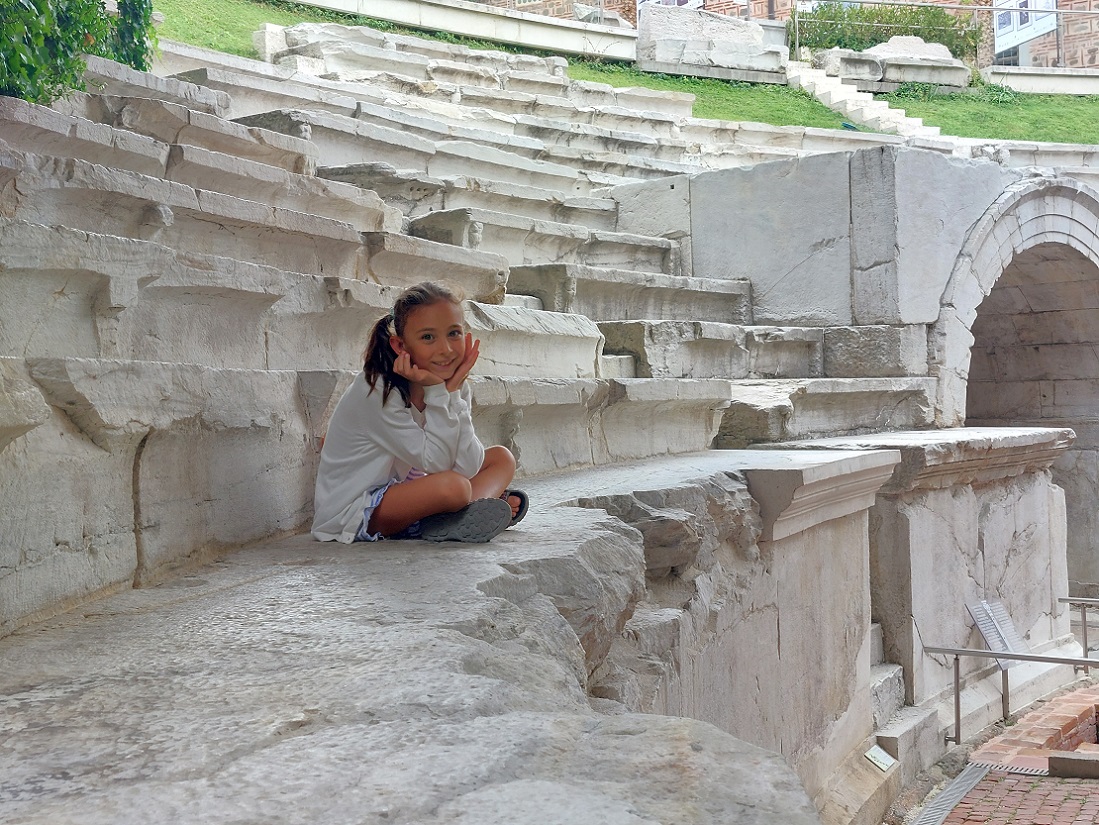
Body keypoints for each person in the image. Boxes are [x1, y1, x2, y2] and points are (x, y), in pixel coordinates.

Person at [312, 281, 527, 544]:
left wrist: (451, 396)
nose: (446, 349)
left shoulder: (453, 388)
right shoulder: (378, 390)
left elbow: (467, 465)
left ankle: (455, 518)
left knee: (501, 458)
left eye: (454, 333)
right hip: (356, 509)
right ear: (401, 347)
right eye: (428, 337)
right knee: (454, 487)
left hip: (415, 486)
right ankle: (461, 513)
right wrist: (439, 392)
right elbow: (438, 464)